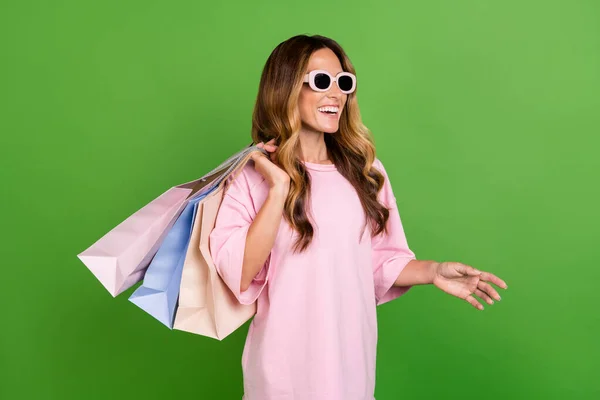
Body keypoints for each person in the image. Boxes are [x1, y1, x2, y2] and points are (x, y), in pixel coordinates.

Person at [208, 34, 508, 400]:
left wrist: (433, 271)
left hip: (351, 370)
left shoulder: (365, 172)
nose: (336, 94)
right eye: (321, 81)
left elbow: (378, 260)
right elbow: (237, 274)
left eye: (343, 82)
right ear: (286, 88)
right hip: (282, 375)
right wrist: (278, 190)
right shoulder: (251, 177)